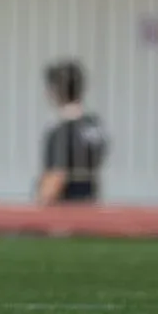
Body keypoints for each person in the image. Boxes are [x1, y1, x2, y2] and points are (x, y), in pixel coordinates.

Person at [35, 60, 107, 205]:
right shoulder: (94, 125)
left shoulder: (62, 132)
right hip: (90, 205)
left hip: (65, 213)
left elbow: (56, 177)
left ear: (55, 91)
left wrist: (39, 205)